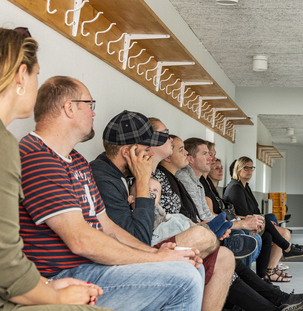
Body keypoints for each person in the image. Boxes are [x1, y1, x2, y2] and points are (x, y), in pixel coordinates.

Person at [18, 76, 204, 311]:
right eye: (89, 104)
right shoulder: (38, 157)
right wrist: (154, 258)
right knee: (184, 280)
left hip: (91, 266)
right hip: (65, 274)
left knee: (191, 266)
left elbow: (106, 225)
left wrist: (153, 251)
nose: (93, 113)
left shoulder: (77, 161)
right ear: (69, 108)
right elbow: (80, 240)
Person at [0, 27, 109, 311]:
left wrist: (46, 284)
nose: (36, 83)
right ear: (20, 75)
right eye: (35, 74)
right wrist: (54, 295)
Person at [90, 110, 235, 311]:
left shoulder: (125, 171)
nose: (151, 153)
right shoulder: (104, 179)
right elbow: (137, 239)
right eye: (147, 149)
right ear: (127, 153)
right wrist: (142, 181)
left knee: (224, 258)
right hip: (124, 259)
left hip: (147, 243)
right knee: (201, 239)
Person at [160, 137, 303, 311]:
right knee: (231, 254)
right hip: (185, 240)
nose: (212, 159)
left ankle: (281, 298)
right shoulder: (175, 178)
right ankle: (279, 297)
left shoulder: (186, 179)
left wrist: (224, 224)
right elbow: (184, 221)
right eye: (206, 154)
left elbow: (197, 217)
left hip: (198, 233)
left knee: (236, 254)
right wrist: (235, 224)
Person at [224, 156, 303, 281]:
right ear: (238, 170)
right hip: (242, 224)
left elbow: (256, 210)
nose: (249, 171)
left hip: (251, 222)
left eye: (251, 168)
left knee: (269, 233)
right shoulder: (235, 188)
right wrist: (262, 221)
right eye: (246, 168)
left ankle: (263, 277)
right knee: (281, 231)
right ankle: (286, 249)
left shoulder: (244, 187)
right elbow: (245, 214)